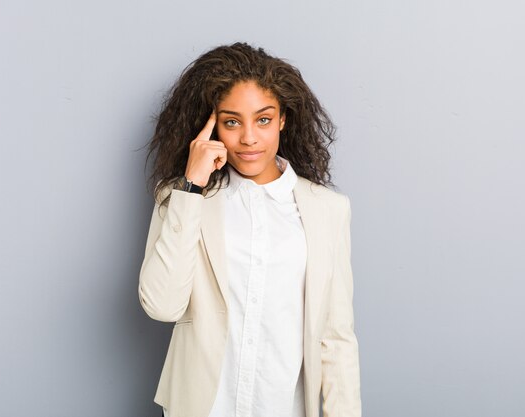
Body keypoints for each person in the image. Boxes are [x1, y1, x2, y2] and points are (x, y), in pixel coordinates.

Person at [138, 42, 361, 417]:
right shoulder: (182, 199)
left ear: (283, 119)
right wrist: (191, 186)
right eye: (231, 121)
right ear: (211, 127)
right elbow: (162, 306)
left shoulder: (328, 210)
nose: (248, 139)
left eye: (262, 119)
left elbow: (336, 337)